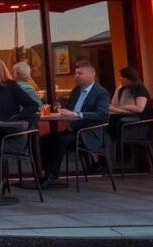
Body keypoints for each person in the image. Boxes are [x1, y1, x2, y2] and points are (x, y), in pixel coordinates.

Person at [38, 60, 110, 188]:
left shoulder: (100, 92)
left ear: (91, 74)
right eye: (75, 73)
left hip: (88, 132)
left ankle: (51, 176)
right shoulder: (76, 90)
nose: (76, 76)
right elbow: (69, 110)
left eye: (80, 73)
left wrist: (78, 114)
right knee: (44, 139)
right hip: (73, 129)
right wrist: (60, 112)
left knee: (60, 141)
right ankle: (46, 172)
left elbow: (101, 114)